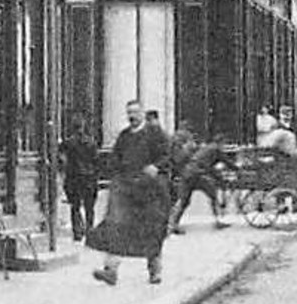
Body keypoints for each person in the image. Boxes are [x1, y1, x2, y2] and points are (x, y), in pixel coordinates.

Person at [88, 100, 172, 285]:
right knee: (117, 227)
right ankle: (110, 270)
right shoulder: (124, 136)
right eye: (129, 113)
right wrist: (115, 176)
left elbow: (167, 155)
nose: (132, 116)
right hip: (128, 190)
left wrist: (156, 166)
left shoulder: (155, 133)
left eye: (135, 112)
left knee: (152, 231)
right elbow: (116, 159)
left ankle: (155, 271)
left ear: (142, 113)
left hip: (150, 192)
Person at [168, 132, 230, 234]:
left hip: (189, 175)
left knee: (185, 201)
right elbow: (220, 162)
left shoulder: (198, 149)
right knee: (211, 194)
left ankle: (174, 224)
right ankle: (218, 221)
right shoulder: (214, 149)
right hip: (195, 176)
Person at [57, 120, 100, 242]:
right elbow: (96, 161)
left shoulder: (69, 143)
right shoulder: (91, 142)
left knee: (75, 207)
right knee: (89, 207)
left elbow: (60, 155)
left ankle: (77, 232)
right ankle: (89, 230)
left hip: (74, 178)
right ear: (83, 127)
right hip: (89, 178)